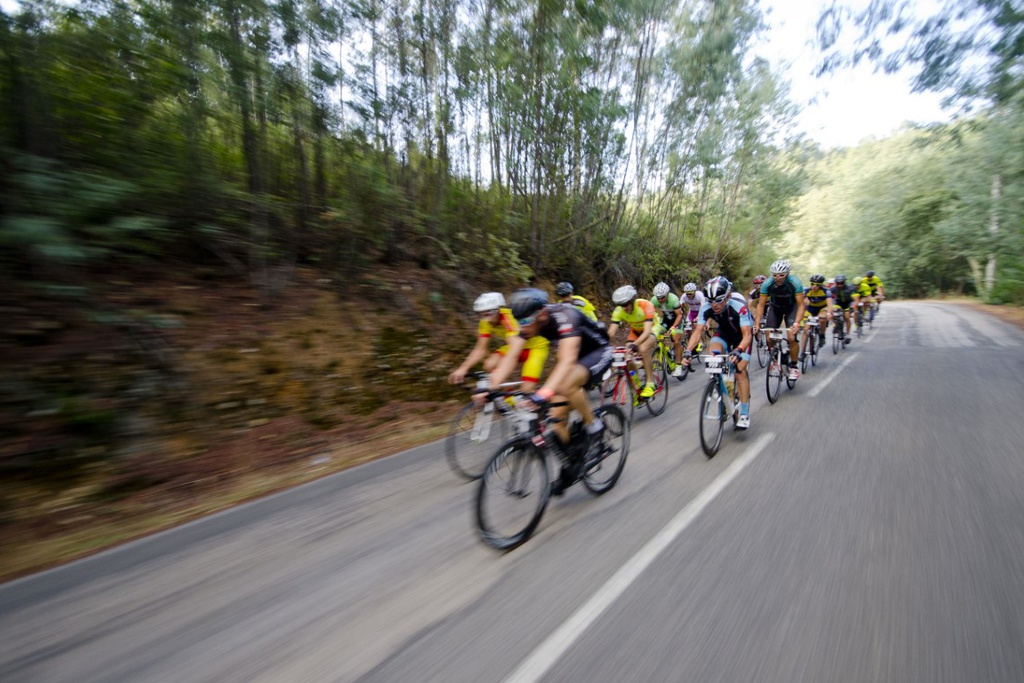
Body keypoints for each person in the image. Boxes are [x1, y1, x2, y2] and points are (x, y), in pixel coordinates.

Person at [484, 288, 613, 495]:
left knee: (564, 385)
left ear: (542, 314)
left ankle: (594, 427)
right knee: (556, 419)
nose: (522, 328)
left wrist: (542, 394)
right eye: (519, 323)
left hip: (598, 352)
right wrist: (491, 388)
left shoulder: (565, 316)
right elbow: (511, 356)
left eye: (525, 322)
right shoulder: (530, 324)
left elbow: (566, 361)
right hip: (575, 361)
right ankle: (570, 467)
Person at [681, 276, 754, 428]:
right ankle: (720, 382)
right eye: (711, 300)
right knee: (713, 353)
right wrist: (688, 351)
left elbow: (747, 335)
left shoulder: (739, 306)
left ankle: (745, 413)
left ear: (727, 296)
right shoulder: (706, 307)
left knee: (740, 370)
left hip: (742, 337)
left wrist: (739, 350)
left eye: (719, 300)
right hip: (724, 333)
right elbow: (698, 331)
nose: (714, 305)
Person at [448, 292, 549, 392]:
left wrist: (499, 374)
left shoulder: (509, 318)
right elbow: (480, 350)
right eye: (482, 315)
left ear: (498, 311)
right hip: (514, 346)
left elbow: (514, 352)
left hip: (535, 348)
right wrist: (463, 368)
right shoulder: (485, 322)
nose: (486, 319)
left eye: (488, 314)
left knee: (527, 389)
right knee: (489, 364)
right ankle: (505, 393)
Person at [753, 259, 806, 381]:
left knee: (791, 337)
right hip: (775, 308)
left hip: (791, 308)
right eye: (775, 275)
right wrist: (756, 324)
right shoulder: (767, 284)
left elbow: (801, 306)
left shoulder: (795, 283)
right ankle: (775, 359)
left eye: (781, 275)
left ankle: (793, 366)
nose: (778, 278)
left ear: (787, 274)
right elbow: (760, 306)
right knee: (768, 336)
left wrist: (797, 323)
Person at [607, 285, 658, 398]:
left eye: (626, 304)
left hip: (651, 329)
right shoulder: (618, 311)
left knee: (643, 349)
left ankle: (650, 383)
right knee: (627, 357)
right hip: (635, 331)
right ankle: (637, 386)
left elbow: (647, 331)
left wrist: (635, 345)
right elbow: (611, 333)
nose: (624, 307)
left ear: (632, 300)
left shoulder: (645, 305)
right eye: (621, 305)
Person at [650, 282, 686, 377]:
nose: (660, 300)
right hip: (666, 319)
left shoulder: (673, 299)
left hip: (677, 320)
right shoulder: (654, 300)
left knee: (676, 340)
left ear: (667, 294)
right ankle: (663, 351)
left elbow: (679, 315)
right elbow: (650, 314)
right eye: (658, 297)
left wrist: (674, 327)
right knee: (654, 333)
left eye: (662, 297)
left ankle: (678, 366)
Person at [802, 274, 834, 348]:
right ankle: (802, 351)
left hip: (822, 308)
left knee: (822, 319)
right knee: (806, 329)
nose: (814, 286)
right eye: (812, 284)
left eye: (817, 285)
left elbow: (829, 304)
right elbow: (802, 304)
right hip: (811, 308)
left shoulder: (826, 291)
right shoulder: (807, 291)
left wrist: (829, 313)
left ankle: (822, 335)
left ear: (821, 285)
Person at [829, 274, 855, 344]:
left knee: (846, 317)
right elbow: (828, 296)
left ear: (844, 282)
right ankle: (836, 326)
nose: (840, 285)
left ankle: (848, 334)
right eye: (838, 283)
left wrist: (853, 306)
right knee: (833, 312)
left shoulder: (850, 288)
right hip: (838, 303)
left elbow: (855, 298)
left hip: (848, 303)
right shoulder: (833, 288)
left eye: (841, 283)